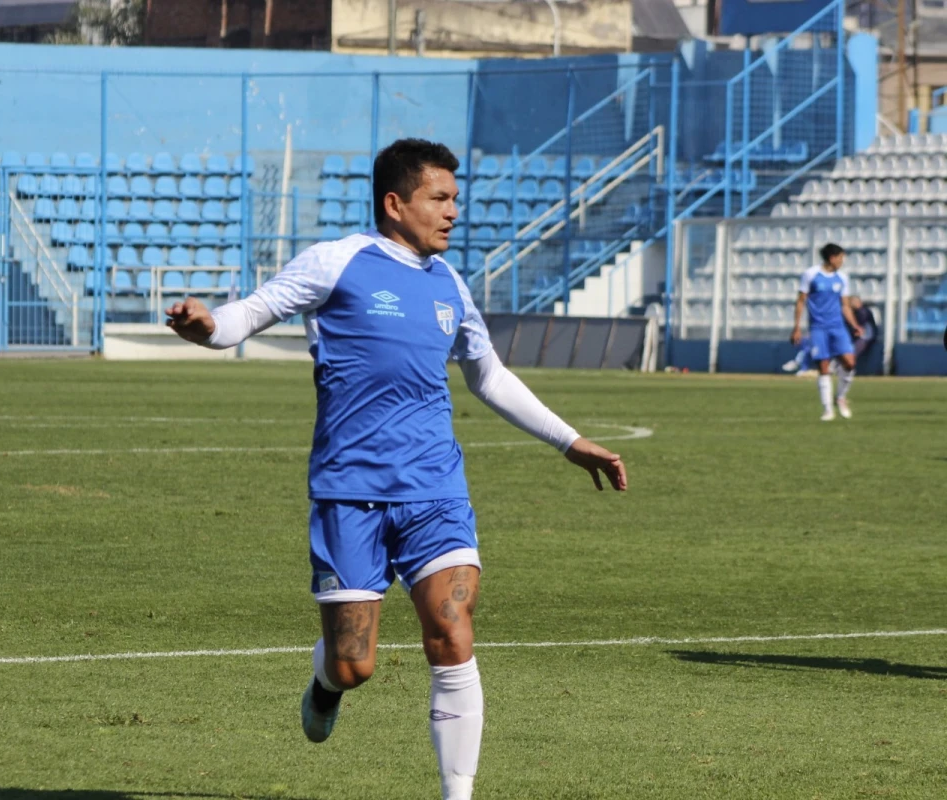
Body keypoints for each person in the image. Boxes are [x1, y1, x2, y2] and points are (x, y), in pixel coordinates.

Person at [165, 138, 627, 800]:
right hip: (350, 493)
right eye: (439, 199)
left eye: (455, 199)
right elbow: (251, 313)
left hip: (434, 489)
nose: (452, 212)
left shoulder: (450, 285)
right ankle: (328, 684)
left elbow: (486, 374)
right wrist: (208, 325)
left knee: (451, 630)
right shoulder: (338, 261)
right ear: (395, 203)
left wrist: (569, 440)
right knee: (355, 664)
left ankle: (457, 794)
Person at [791, 243, 863, 421]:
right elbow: (801, 301)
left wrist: (854, 325)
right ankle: (828, 410)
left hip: (838, 327)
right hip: (818, 328)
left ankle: (840, 397)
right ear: (832, 258)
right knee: (823, 367)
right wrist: (797, 327)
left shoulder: (842, 278)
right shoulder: (811, 275)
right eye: (841, 258)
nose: (842, 261)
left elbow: (845, 305)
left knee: (849, 363)